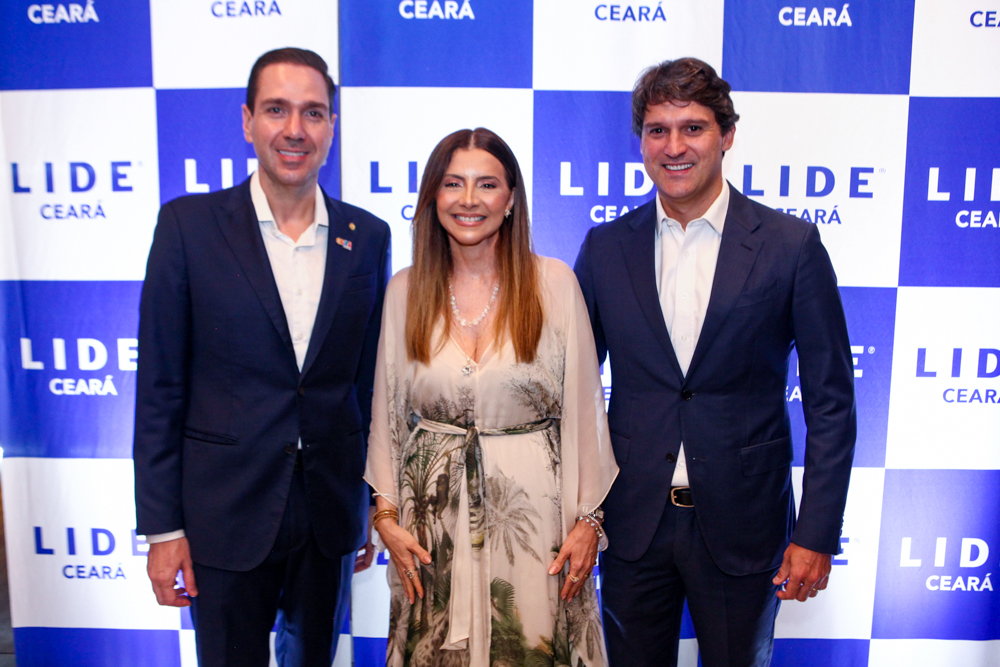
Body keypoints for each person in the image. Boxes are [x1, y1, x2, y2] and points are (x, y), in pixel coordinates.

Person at [573, 58, 856, 667]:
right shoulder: (605, 247)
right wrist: (579, 514)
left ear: (726, 135)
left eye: (693, 128)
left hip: (745, 524)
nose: (674, 147)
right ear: (641, 142)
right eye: (657, 130)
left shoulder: (791, 246)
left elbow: (832, 402)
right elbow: (571, 389)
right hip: (631, 522)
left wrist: (815, 533)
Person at [133, 47, 390, 667]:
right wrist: (164, 530)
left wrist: (366, 503)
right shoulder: (188, 227)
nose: (295, 129)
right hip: (223, 515)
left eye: (313, 113)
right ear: (247, 121)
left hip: (329, 515)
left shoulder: (367, 236)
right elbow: (160, 388)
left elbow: (366, 386)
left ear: (331, 127)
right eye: (277, 110)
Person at [364, 128, 618, 667]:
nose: (469, 199)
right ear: (433, 197)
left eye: (486, 184)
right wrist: (385, 517)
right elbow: (386, 417)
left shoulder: (554, 285)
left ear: (511, 199)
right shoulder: (405, 291)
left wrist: (588, 521)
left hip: (535, 532)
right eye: (453, 183)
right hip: (430, 534)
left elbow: (584, 412)